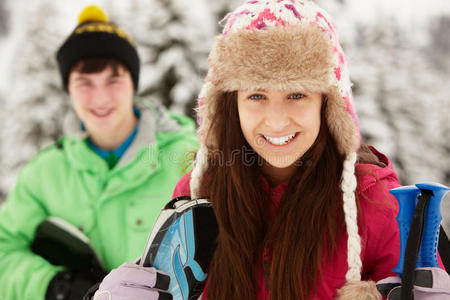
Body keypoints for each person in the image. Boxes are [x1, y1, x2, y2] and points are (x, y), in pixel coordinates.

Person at [90, 1, 446, 299]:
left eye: (297, 95)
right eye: (256, 96)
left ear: (327, 104)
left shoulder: (372, 198)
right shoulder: (200, 195)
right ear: (232, 106)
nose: (276, 122)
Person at [0, 5, 198, 300]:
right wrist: (58, 286)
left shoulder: (189, 158)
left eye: (113, 79)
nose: (101, 97)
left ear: (134, 83)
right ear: (68, 88)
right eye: (85, 83)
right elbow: (5, 249)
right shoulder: (44, 173)